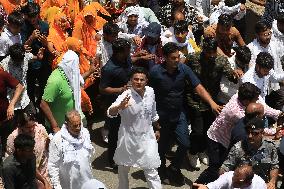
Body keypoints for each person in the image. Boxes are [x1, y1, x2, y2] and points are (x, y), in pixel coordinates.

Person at [149, 42, 222, 186]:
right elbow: (148, 94)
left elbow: (198, 87)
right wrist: (151, 119)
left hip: (179, 114)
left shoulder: (184, 69)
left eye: (178, 57)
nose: (177, 60)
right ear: (165, 57)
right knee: (161, 148)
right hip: (161, 116)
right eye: (173, 58)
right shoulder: (155, 72)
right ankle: (161, 170)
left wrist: (212, 103)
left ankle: (174, 167)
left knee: (185, 143)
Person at [197, 82, 281, 184]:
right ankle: (198, 185)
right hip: (217, 140)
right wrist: (274, 131)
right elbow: (255, 128)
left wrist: (279, 114)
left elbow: (263, 108)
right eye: (255, 99)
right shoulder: (236, 112)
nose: (257, 100)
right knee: (215, 169)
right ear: (246, 101)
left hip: (229, 138)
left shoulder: (242, 96)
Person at [185, 37, 241, 169]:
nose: (210, 55)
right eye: (207, 52)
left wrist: (235, 73)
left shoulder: (221, 60)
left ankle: (202, 150)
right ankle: (192, 152)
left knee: (207, 129)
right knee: (197, 130)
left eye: (213, 52)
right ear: (203, 49)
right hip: (195, 100)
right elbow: (184, 71)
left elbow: (230, 74)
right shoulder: (193, 58)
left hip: (212, 101)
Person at [107, 67, 162, 189]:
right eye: (135, 79)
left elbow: (153, 112)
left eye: (141, 79)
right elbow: (110, 112)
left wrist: (157, 128)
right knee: (123, 170)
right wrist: (119, 107)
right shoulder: (126, 95)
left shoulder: (151, 92)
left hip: (147, 138)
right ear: (131, 80)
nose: (138, 82)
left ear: (146, 81)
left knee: (151, 171)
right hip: (128, 140)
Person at [40, 50, 94, 133]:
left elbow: (77, 80)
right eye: (77, 64)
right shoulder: (55, 80)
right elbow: (44, 104)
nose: (78, 66)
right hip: (61, 126)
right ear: (72, 64)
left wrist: (90, 71)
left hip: (75, 120)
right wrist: (55, 126)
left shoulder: (70, 73)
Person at [99, 38, 132, 168]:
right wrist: (120, 89)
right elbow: (102, 88)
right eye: (127, 50)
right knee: (115, 133)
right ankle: (113, 159)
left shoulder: (126, 59)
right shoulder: (109, 68)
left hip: (127, 102)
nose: (129, 52)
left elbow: (130, 64)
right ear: (119, 53)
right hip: (114, 105)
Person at [220, 117, 280, 188]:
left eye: (255, 133)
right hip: (242, 184)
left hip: (262, 184)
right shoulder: (238, 148)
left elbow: (274, 166)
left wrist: (272, 181)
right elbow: (226, 167)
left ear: (262, 133)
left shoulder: (270, 146)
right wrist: (224, 180)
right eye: (248, 132)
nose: (250, 136)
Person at [48, 110, 97, 189]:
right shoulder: (57, 139)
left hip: (86, 180)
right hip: (68, 184)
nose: (78, 128)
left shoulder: (85, 133)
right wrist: (57, 186)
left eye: (79, 124)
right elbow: (53, 165)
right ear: (67, 124)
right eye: (74, 125)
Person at [6, 111, 51, 188]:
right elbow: (12, 160)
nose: (32, 129)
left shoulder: (40, 129)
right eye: (28, 127)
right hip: (25, 174)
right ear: (20, 126)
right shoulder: (13, 138)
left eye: (33, 126)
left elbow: (47, 146)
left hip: (43, 168)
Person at [20, 2, 51, 111]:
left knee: (44, 87)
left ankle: (42, 107)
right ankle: (32, 111)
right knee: (30, 89)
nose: (33, 19)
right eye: (30, 16)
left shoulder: (44, 25)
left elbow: (48, 45)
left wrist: (45, 43)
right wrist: (32, 38)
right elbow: (23, 47)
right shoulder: (23, 27)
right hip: (30, 64)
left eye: (35, 16)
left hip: (43, 63)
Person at [193, 164, 267, 189]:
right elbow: (215, 185)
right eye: (234, 177)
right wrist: (206, 187)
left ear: (248, 183)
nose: (233, 182)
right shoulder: (229, 176)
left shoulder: (260, 185)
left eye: (238, 183)